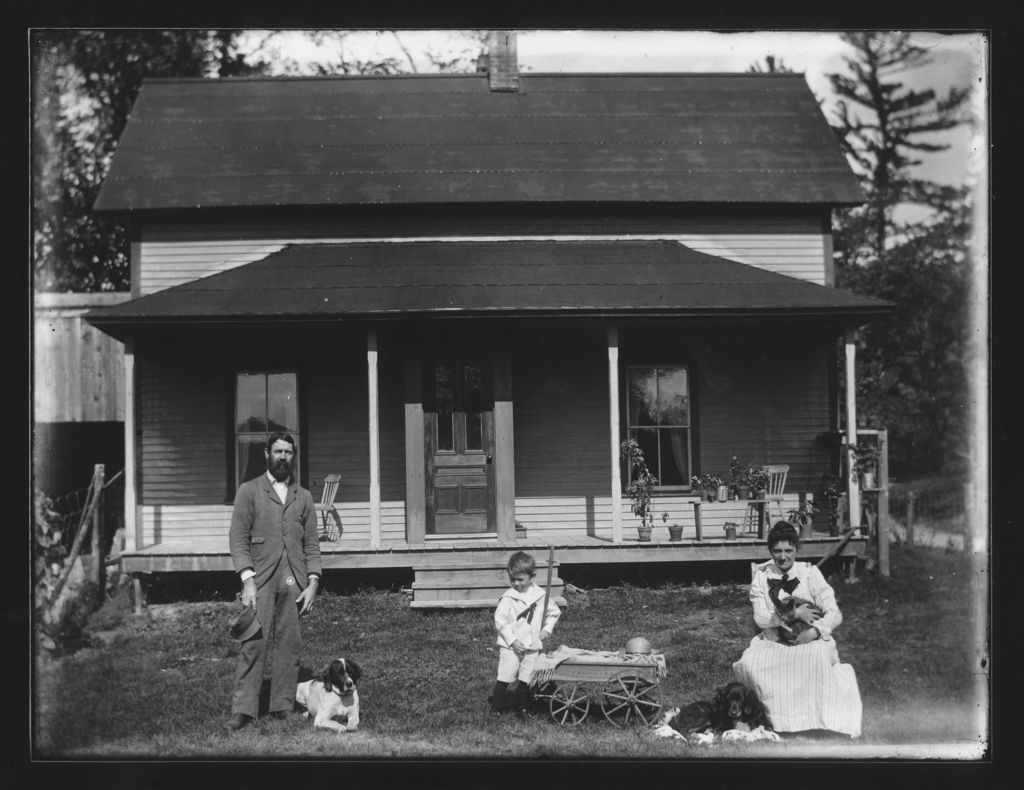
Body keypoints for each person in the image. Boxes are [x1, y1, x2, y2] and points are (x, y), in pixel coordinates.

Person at [225, 432, 323, 732]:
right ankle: (244, 710)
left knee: (290, 643)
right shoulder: (249, 491)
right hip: (262, 578)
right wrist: (248, 580)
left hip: (294, 578)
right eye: (278, 451)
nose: (283, 457)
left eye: (288, 452)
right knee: (253, 642)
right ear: (267, 453)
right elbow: (238, 539)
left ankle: (281, 705)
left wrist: (313, 582)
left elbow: (312, 546)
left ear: (294, 456)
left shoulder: (303, 496)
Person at [731, 521, 862, 738]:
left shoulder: (810, 573)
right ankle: (774, 722)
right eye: (777, 551)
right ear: (770, 551)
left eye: (788, 551)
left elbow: (834, 612)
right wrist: (794, 615)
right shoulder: (762, 576)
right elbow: (761, 617)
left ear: (796, 550)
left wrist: (815, 631)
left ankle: (815, 721)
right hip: (774, 640)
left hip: (808, 638)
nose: (783, 557)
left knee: (817, 657)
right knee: (750, 663)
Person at [489, 551, 561, 715]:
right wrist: (512, 641)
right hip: (511, 646)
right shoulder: (509, 597)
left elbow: (554, 612)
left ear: (531, 576)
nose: (516, 583)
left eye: (520, 579)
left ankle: (523, 707)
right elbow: (500, 621)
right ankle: (496, 707)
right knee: (506, 674)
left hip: (532, 643)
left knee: (526, 677)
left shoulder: (541, 596)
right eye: (512, 579)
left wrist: (547, 629)